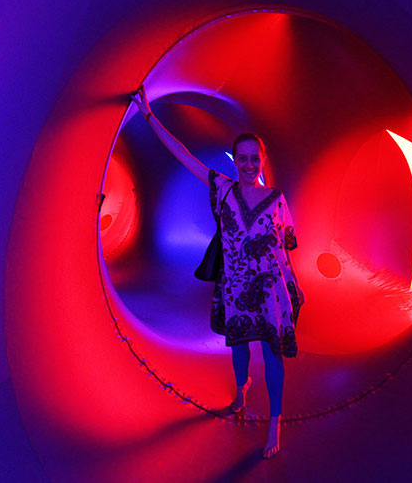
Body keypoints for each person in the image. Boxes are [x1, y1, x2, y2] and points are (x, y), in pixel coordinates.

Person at [130, 86, 304, 460]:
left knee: (273, 351)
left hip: (271, 287)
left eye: (253, 158)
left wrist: (290, 289)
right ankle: (241, 390)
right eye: (242, 158)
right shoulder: (222, 189)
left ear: (262, 159)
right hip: (237, 285)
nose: (248, 164)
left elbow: (285, 248)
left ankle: (275, 418)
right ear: (234, 160)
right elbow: (183, 154)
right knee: (239, 345)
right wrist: (148, 115)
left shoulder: (277, 200)